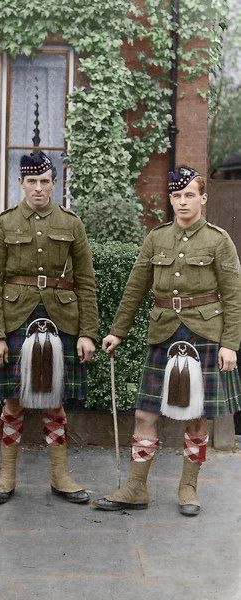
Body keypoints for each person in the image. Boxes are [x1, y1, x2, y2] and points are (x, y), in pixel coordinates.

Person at [95, 166, 241, 516]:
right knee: (145, 413)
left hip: (205, 335)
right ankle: (136, 487)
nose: (182, 202)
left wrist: (230, 344)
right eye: (177, 196)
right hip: (163, 333)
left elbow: (234, 296)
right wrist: (118, 330)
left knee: (198, 418)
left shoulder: (219, 240)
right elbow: (135, 287)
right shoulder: (157, 238)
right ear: (170, 200)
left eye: (189, 194)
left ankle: (188, 487)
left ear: (203, 199)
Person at [0, 150, 98, 505]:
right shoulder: (4, 223)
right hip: (16, 319)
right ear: (21, 183)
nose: (38, 188)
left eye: (45, 181)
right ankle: (5, 476)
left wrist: (87, 333)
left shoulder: (71, 223)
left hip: (61, 319)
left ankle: (60, 477)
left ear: (54, 184)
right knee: (13, 402)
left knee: (55, 402)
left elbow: (86, 282)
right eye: (31, 181)